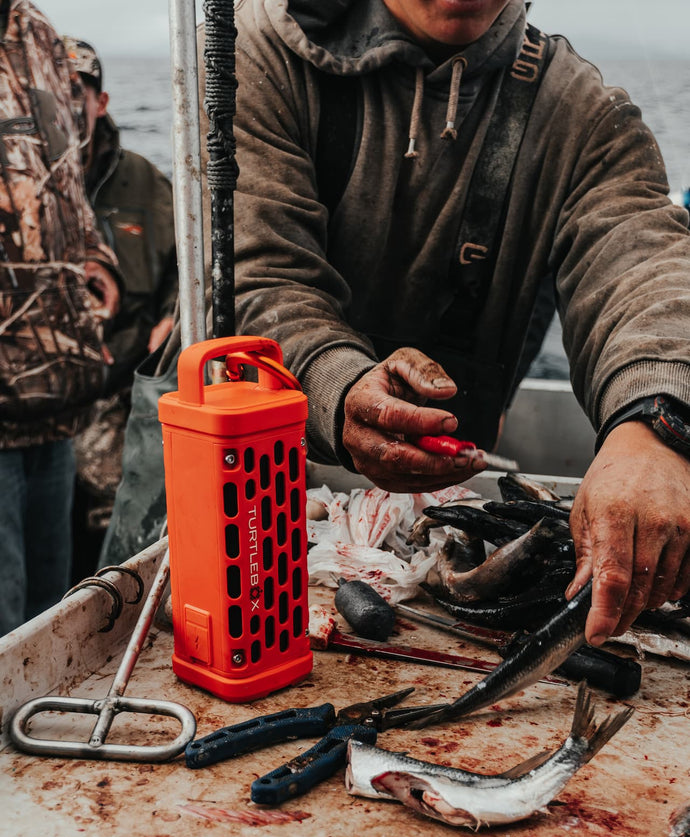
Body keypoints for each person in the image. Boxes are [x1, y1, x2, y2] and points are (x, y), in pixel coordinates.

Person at [207, 0, 690, 651]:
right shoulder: (257, 53)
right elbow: (258, 277)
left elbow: (644, 263)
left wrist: (656, 423)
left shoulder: (583, 115)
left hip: (435, 517)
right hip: (227, 482)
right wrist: (339, 385)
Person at [0, 1, 121, 636]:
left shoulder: (39, 32)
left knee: (50, 629)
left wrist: (97, 260)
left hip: (57, 390)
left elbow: (64, 183)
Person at [62, 38, 178, 580]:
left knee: (121, 521)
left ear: (100, 101)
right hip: (44, 390)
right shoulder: (23, 184)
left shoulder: (147, 183)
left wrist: (172, 317)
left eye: (75, 92)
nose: (62, 106)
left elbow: (191, 263)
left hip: (125, 384)